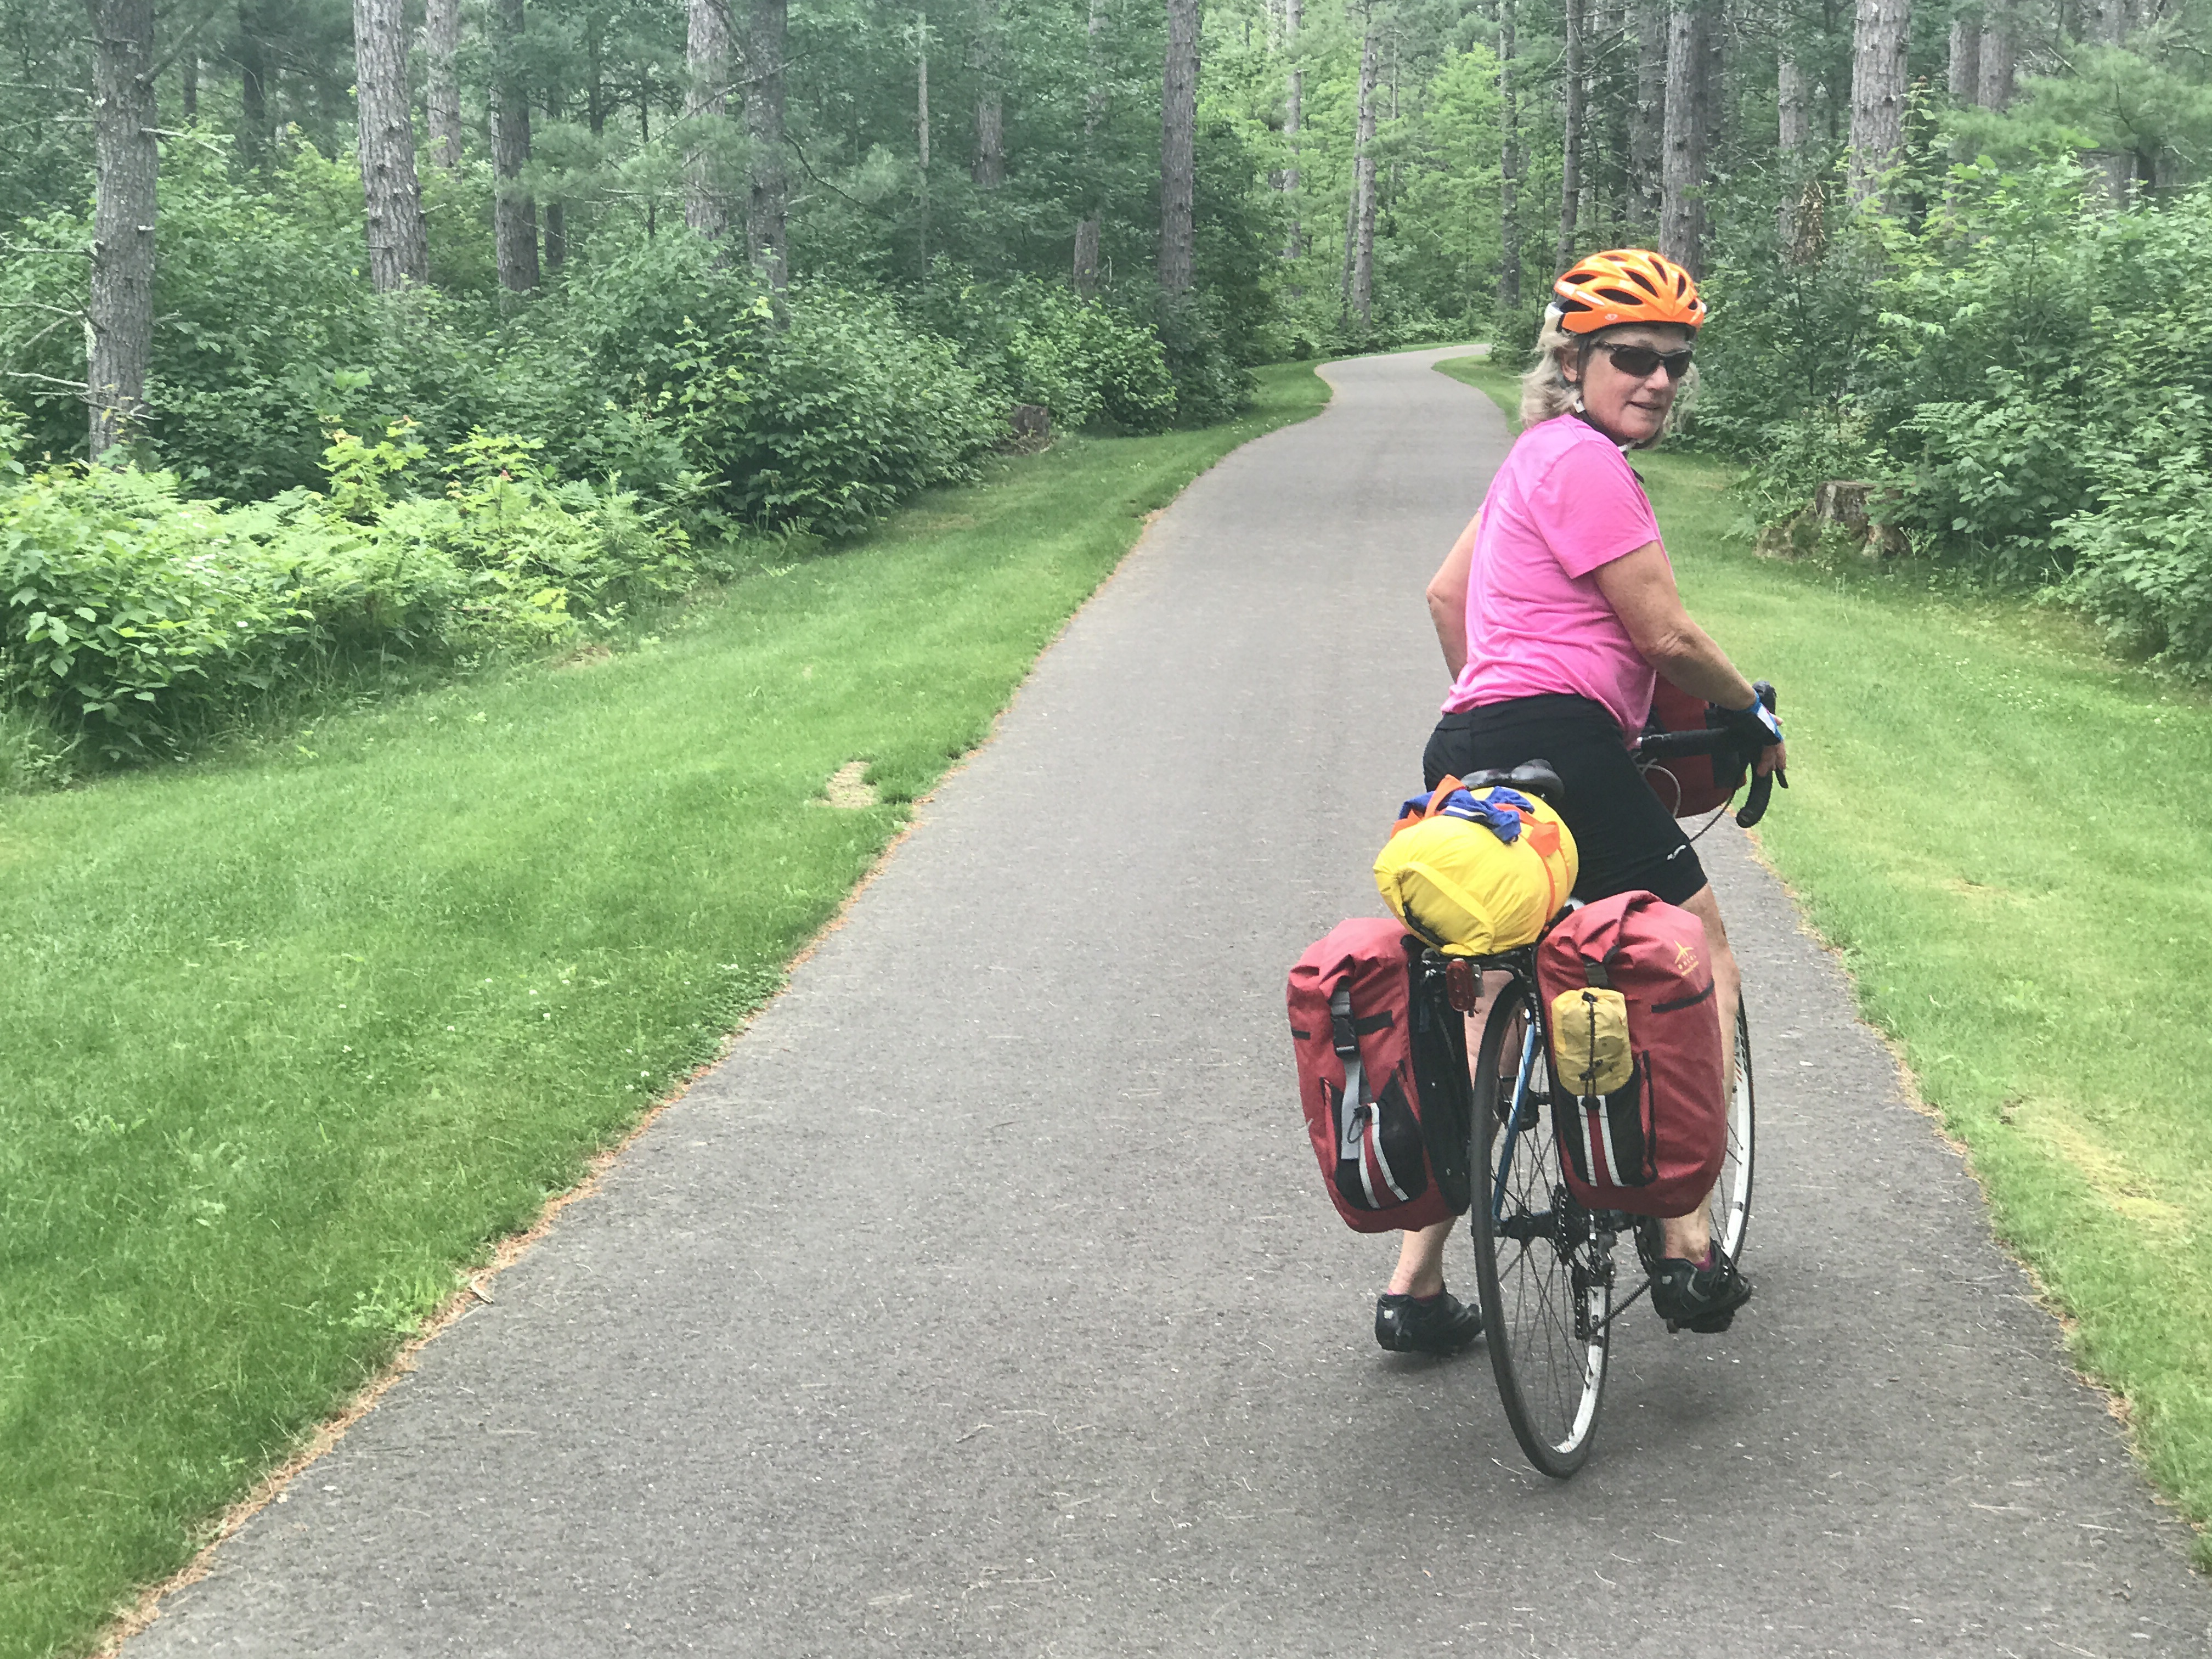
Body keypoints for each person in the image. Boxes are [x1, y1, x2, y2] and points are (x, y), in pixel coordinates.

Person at [1373, 248, 1786, 1357]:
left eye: (1675, 364)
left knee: (1488, 989)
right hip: (1567, 745)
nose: (1658, 380)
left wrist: (1500, 715)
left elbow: (1447, 596)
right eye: (1633, 357)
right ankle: (1688, 1242)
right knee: (1693, 949)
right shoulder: (1591, 464)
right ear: (1572, 362)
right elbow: (1666, 635)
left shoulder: (1529, 461)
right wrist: (1751, 713)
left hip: (1468, 741)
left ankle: (1416, 1286)